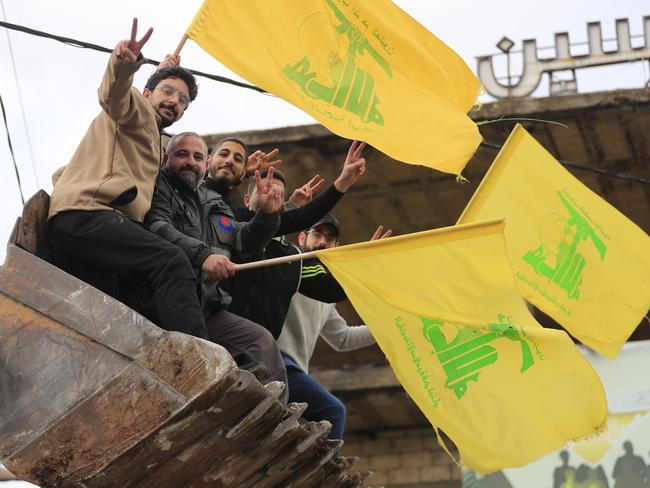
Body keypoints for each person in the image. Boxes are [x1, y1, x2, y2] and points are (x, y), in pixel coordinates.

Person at [47, 19, 210, 339]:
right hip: (89, 215)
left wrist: (165, 71)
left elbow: (154, 93)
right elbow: (115, 93)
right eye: (168, 93)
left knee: (123, 312)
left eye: (182, 101)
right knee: (172, 262)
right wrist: (124, 64)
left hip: (96, 233)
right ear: (146, 93)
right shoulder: (135, 110)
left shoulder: (150, 134)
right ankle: (202, 358)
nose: (174, 102)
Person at [144, 132, 288, 398]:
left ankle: (273, 415)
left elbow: (243, 241)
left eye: (197, 157)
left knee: (261, 341)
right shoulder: (158, 184)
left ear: (204, 162)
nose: (191, 162)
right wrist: (203, 256)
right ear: (166, 158)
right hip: (164, 305)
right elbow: (157, 226)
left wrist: (267, 215)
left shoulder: (216, 202)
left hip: (208, 308)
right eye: (182, 154)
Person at [277, 215, 380, 442]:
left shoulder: (326, 295)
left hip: (292, 372)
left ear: (336, 246)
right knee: (333, 411)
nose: (323, 242)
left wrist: (385, 328)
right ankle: (323, 475)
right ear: (302, 237)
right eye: (317, 235)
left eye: (330, 239)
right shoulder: (288, 266)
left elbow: (342, 338)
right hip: (273, 359)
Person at [226, 169, 348, 339]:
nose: (272, 195)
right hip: (216, 339)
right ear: (247, 200)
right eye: (266, 189)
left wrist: (368, 261)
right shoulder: (227, 228)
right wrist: (238, 172)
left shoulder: (291, 258)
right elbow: (202, 203)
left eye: (278, 194)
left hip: (258, 354)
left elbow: (332, 290)